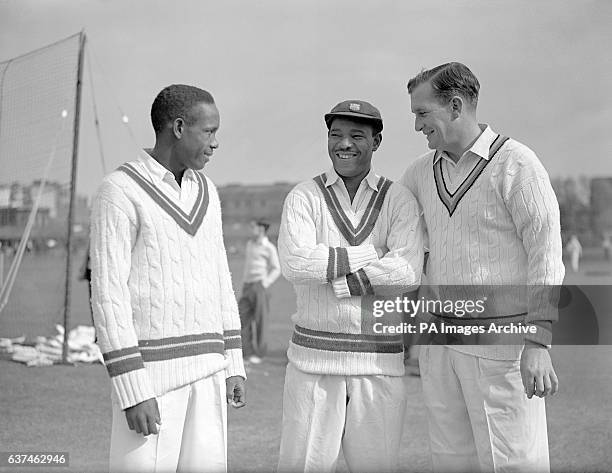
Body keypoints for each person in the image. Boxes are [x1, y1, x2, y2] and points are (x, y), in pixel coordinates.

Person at [400, 62, 564, 473]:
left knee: (512, 461)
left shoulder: (517, 164)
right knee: (451, 461)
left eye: (423, 114)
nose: (417, 126)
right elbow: (398, 244)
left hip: (500, 347)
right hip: (439, 347)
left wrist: (539, 343)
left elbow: (546, 255)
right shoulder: (419, 173)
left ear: (455, 106)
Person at [90, 84, 246, 473]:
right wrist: (132, 389)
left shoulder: (207, 190)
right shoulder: (119, 190)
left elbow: (220, 279)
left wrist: (233, 364)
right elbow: (108, 297)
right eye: (208, 132)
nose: (215, 143)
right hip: (152, 379)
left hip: (209, 375)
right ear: (178, 127)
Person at [277, 100, 424, 473]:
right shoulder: (303, 196)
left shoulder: (399, 198)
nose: (344, 144)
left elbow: (407, 272)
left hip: (379, 364)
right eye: (336, 135)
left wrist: (342, 284)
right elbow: (295, 264)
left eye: (356, 136)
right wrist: (371, 254)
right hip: (313, 363)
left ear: (376, 142)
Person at [239, 219, 280, 364]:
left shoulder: (269, 248)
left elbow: (276, 268)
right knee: (242, 319)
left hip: (259, 287)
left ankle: (260, 354)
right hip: (247, 286)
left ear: (261, 229)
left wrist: (265, 282)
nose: (251, 230)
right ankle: (247, 353)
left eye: (253, 227)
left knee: (260, 321)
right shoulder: (250, 244)